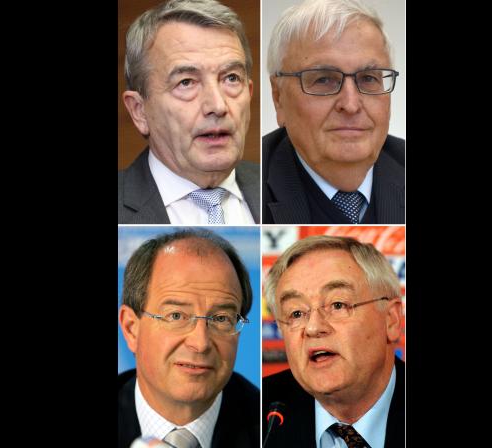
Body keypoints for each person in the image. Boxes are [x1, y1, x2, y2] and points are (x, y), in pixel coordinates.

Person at [262, 0, 405, 224]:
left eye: (368, 79)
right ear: (278, 97)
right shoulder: (252, 190)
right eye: (323, 80)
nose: (350, 105)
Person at [119, 0, 259, 224]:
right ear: (139, 111)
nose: (218, 106)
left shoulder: (276, 187)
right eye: (186, 82)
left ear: (249, 92)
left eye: (231, 78)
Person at [118, 229, 259, 447]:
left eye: (221, 319)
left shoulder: (270, 427)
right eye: (176, 316)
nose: (200, 343)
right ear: (131, 328)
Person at [262, 235, 404, 447]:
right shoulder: (258, 413)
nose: (313, 328)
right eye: (296, 313)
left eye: (337, 305)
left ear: (391, 320)